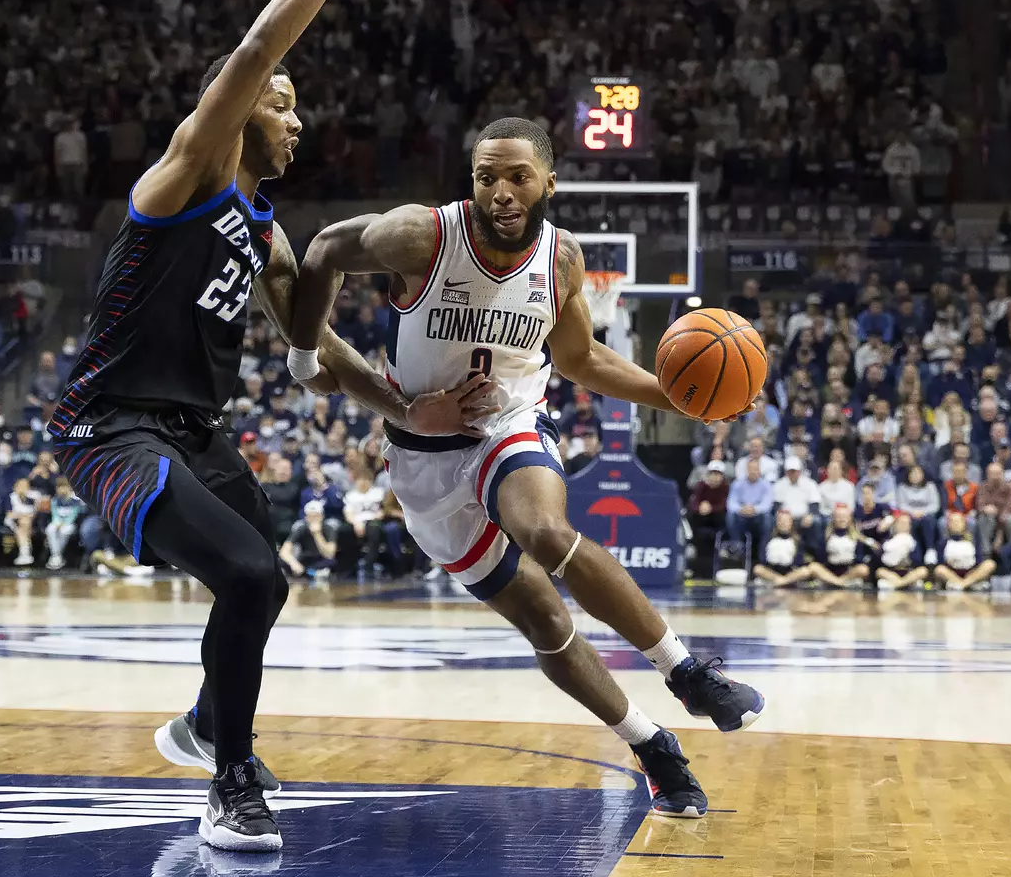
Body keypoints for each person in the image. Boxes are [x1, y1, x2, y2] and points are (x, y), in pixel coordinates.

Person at [44, 0, 491, 855]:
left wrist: (400, 404)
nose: (298, 118)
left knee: (269, 578)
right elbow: (255, 44)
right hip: (106, 426)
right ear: (238, 110)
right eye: (284, 103)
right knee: (246, 575)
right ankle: (230, 779)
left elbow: (313, 344)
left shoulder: (265, 230)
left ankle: (206, 724)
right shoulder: (187, 176)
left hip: (190, 431)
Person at [290, 116, 765, 823]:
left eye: (517, 176)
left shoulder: (562, 260)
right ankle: (652, 745)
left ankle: (686, 671)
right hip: (422, 459)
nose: (502, 192)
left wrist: (675, 397)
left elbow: (581, 360)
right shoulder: (422, 237)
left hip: (509, 424)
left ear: (549, 181)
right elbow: (325, 248)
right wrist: (308, 359)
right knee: (544, 620)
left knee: (543, 529)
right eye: (487, 177)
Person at [933, 510, 996, 591]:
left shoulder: (973, 540)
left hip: (971, 572)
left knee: (990, 564)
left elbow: (979, 558)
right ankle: (969, 584)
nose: (956, 524)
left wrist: (973, 571)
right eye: (952, 521)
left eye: (958, 521)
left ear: (964, 524)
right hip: (952, 573)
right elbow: (940, 562)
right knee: (939, 570)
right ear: (948, 525)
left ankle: (962, 584)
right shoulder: (943, 542)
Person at [686, 460, 728, 583]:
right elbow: (693, 504)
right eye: (712, 474)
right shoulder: (701, 486)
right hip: (701, 522)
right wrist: (700, 507)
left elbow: (724, 505)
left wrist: (711, 508)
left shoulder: (726, 487)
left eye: (718, 474)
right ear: (708, 475)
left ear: (722, 476)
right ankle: (697, 570)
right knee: (694, 522)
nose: (715, 477)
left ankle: (711, 569)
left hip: (718, 523)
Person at [813, 504, 872, 588]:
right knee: (814, 567)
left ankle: (840, 582)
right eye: (839, 517)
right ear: (833, 518)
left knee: (863, 569)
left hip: (849, 571)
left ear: (850, 518)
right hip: (830, 570)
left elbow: (860, 558)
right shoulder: (826, 536)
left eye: (844, 517)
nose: (842, 520)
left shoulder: (857, 537)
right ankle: (838, 582)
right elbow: (820, 558)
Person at [752, 508, 812, 588]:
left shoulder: (797, 540)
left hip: (790, 572)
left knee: (805, 571)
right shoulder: (768, 538)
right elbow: (762, 557)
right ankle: (782, 581)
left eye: (786, 521)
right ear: (776, 522)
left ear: (791, 523)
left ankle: (782, 581)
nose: (783, 523)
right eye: (780, 520)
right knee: (757, 569)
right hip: (771, 571)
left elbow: (799, 561)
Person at [280, 500, 337, 578]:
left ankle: (309, 573)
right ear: (306, 518)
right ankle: (311, 573)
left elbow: (330, 553)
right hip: (305, 559)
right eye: (310, 516)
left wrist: (317, 534)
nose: (313, 519)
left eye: (316, 516)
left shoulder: (328, 528)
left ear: (322, 516)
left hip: (321, 559)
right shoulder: (301, 528)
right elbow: (284, 551)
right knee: (279, 561)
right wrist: (293, 563)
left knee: (332, 562)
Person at [876, 513, 927, 590]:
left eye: (906, 523)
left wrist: (908, 552)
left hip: (908, 571)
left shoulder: (913, 541)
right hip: (892, 571)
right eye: (901, 523)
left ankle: (899, 584)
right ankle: (903, 584)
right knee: (880, 572)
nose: (903, 526)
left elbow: (918, 560)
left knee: (923, 571)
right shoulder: (888, 541)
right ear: (896, 525)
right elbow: (881, 559)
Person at [45, 476, 86, 571]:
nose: (62, 489)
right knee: (50, 529)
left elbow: (73, 515)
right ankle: (57, 556)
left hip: (69, 524)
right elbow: (54, 514)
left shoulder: (75, 501)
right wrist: (57, 523)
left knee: (64, 532)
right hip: (57, 522)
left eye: (64, 486)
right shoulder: (55, 501)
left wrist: (65, 523)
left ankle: (55, 556)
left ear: (69, 487)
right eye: (59, 487)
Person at [5, 475, 39, 566]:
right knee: (23, 522)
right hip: (12, 521)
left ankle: (25, 554)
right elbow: (9, 514)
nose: (23, 488)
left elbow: (34, 514)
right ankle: (26, 554)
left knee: (24, 523)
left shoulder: (31, 499)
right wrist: (22, 515)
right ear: (16, 486)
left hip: (28, 523)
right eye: (21, 486)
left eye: (26, 486)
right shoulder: (11, 497)